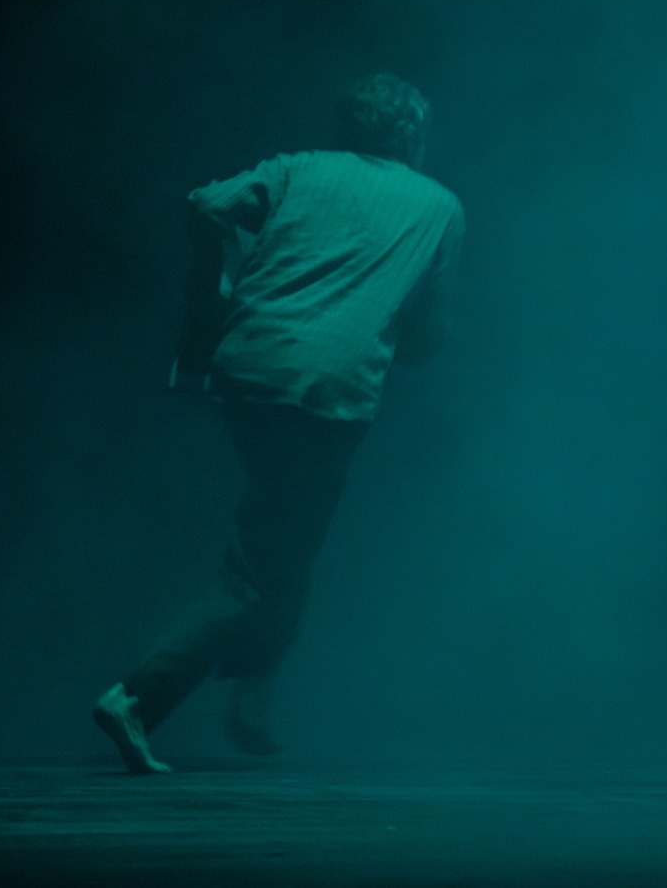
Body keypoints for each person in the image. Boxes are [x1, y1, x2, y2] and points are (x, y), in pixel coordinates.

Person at [93, 73, 464, 774]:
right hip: (327, 394)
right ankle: (137, 696)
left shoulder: (299, 168)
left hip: (246, 368)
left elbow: (206, 204)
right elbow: (429, 338)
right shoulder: (440, 205)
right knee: (261, 569)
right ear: (413, 136)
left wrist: (220, 274)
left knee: (289, 544)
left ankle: (253, 692)